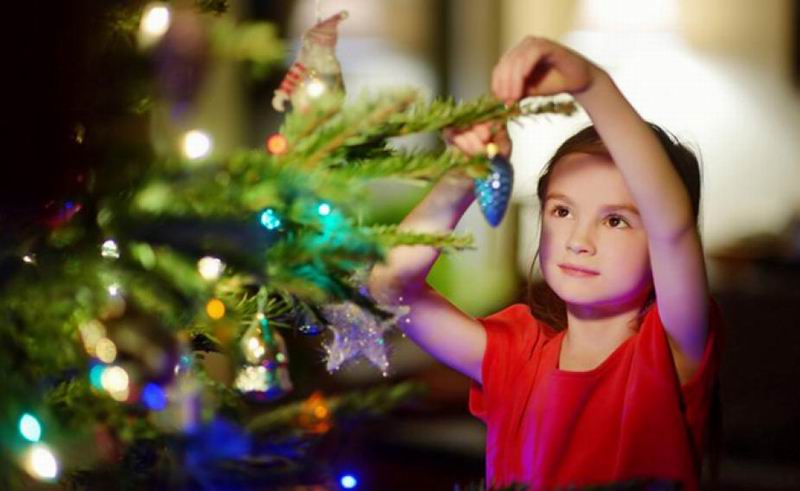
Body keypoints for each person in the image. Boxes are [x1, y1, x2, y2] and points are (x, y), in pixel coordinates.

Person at [367, 37, 723, 490]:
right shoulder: (514, 356)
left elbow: (672, 227)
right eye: (561, 211)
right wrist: (461, 177)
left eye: (615, 220)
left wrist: (592, 84)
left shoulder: (670, 350)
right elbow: (389, 286)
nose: (579, 240)